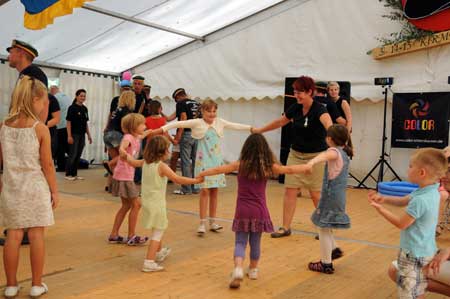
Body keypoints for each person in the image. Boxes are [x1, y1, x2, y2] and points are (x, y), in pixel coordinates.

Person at [197, 133, 310, 288]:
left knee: (240, 242)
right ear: (265, 150)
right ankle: (254, 269)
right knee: (255, 242)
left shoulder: (240, 164)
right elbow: (289, 169)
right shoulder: (267, 167)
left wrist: (203, 173)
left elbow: (219, 169)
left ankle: (238, 268)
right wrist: (307, 167)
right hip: (259, 211)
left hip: (242, 210)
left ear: (246, 149)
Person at [155, 99, 252, 235]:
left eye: (214, 111)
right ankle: (202, 222)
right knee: (204, 192)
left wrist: (251, 129)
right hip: (203, 162)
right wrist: (162, 129)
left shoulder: (220, 122)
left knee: (214, 192)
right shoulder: (197, 123)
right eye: (209, 111)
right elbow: (179, 123)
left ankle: (213, 221)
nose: (212, 114)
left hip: (216, 162)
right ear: (202, 111)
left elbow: (235, 125)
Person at [0, 76, 59, 298]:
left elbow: (2, 161)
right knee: (36, 236)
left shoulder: (3, 126)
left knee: (12, 237)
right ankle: (36, 284)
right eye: (44, 102)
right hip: (35, 188)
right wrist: (54, 191)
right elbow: (48, 166)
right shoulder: (39, 129)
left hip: (11, 188)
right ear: (35, 100)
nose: (46, 107)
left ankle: (11, 285)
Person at [252, 76, 332, 238]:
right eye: (295, 92)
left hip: (315, 157)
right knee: (290, 191)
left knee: (315, 193)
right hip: (295, 154)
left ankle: (323, 228)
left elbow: (330, 127)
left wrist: (337, 147)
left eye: (300, 92)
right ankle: (285, 227)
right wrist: (261, 130)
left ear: (310, 92)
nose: (297, 95)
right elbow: (280, 122)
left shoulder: (320, 110)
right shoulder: (295, 108)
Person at [368, 148, 447, 299]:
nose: (408, 169)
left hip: (412, 255)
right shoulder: (431, 191)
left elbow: (401, 223)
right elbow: (404, 200)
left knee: (407, 293)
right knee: (418, 289)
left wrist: (380, 210)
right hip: (427, 251)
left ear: (422, 173)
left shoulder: (420, 199)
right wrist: (384, 199)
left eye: (411, 166)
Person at [123, 135, 203, 272]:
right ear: (162, 151)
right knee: (158, 233)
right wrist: (196, 181)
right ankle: (149, 262)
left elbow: (132, 162)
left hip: (147, 202)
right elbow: (178, 179)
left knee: (156, 228)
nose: (169, 151)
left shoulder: (145, 162)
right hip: (157, 204)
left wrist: (125, 154)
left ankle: (158, 253)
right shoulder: (162, 166)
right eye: (168, 149)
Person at [304, 125, 353, 274]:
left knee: (323, 227)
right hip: (338, 197)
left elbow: (325, 156)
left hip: (330, 197)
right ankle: (333, 249)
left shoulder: (334, 151)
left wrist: (311, 162)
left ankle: (326, 263)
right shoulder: (345, 152)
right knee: (323, 224)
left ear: (330, 139)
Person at [109, 113, 149, 246]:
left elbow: (147, 133)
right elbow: (122, 146)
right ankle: (131, 235)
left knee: (126, 205)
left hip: (125, 175)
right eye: (142, 124)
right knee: (136, 204)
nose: (145, 126)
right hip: (125, 176)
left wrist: (161, 129)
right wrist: (122, 151)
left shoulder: (137, 136)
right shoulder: (128, 137)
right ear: (133, 127)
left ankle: (114, 234)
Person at [165, 88, 202, 195]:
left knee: (185, 162)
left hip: (186, 134)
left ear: (178, 97)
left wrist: (178, 137)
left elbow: (183, 118)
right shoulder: (196, 103)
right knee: (196, 161)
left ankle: (186, 188)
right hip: (197, 134)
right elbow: (169, 118)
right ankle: (196, 187)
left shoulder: (181, 103)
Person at [6, 39, 49, 122]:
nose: (8, 57)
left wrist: (36, 130)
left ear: (20, 53)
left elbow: (44, 103)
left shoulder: (34, 74)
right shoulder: (25, 73)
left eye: (11, 52)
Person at [103, 90, 136, 175]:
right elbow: (125, 126)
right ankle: (108, 164)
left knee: (116, 161)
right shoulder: (126, 111)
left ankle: (113, 184)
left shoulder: (117, 109)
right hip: (116, 134)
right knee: (123, 155)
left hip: (107, 135)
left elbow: (111, 121)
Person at [65, 89, 92, 181]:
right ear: (76, 96)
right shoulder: (72, 108)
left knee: (78, 154)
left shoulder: (85, 109)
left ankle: (74, 174)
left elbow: (85, 124)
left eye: (84, 96)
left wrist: (89, 135)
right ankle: (68, 174)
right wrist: (69, 136)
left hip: (82, 135)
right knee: (72, 154)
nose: (82, 98)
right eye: (81, 96)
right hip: (74, 134)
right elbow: (68, 122)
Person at [50, 86, 71, 172]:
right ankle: (70, 165)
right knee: (69, 148)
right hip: (68, 126)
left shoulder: (54, 98)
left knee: (60, 148)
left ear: (52, 91)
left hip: (59, 126)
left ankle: (61, 166)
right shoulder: (67, 97)